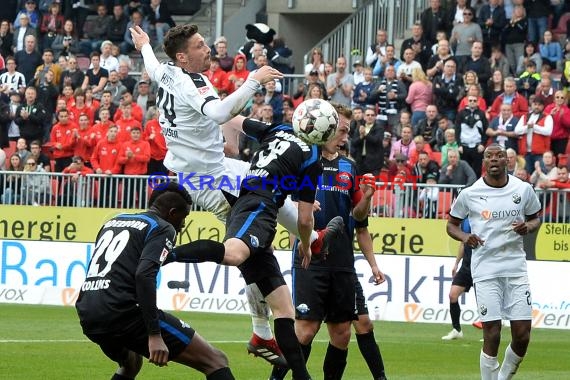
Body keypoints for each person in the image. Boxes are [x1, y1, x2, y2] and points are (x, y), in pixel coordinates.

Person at [130, 24, 333, 366]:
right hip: (209, 180)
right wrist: (253, 80)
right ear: (183, 57)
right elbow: (220, 113)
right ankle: (260, 329)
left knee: (266, 192)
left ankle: (311, 238)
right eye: (198, 46)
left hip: (213, 167)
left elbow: (151, 63)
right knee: (253, 247)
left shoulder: (164, 70)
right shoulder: (190, 81)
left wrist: (145, 45)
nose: (207, 49)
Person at [269, 105, 387, 380]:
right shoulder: (301, 161)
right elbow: (281, 200)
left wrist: (367, 197)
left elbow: (359, 219)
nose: (345, 136)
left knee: (342, 333)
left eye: (347, 131)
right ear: (327, 127)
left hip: (343, 262)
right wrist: (300, 207)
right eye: (342, 130)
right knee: (305, 330)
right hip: (310, 256)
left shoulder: (349, 166)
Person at [75, 183, 236, 380]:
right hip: (124, 312)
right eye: (183, 217)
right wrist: (154, 334)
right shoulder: (162, 227)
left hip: (88, 312)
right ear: (172, 212)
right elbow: (144, 275)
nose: (183, 225)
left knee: (131, 363)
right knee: (216, 361)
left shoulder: (114, 221)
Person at [446, 143, 541, 380]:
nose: (495, 159)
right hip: (485, 269)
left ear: (508, 162)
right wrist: (466, 237)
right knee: (493, 332)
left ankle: (503, 377)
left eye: (500, 156)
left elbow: (535, 219)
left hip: (516, 268)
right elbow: (451, 224)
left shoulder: (523, 189)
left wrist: (527, 227)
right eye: (490, 156)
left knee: (522, 335)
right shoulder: (470, 193)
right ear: (484, 163)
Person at [442, 218, 477, 340]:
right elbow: (463, 243)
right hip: (466, 266)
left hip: (481, 266)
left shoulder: (484, 217)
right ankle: (456, 330)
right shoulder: (466, 221)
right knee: (453, 295)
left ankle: (490, 333)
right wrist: (457, 263)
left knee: (485, 300)